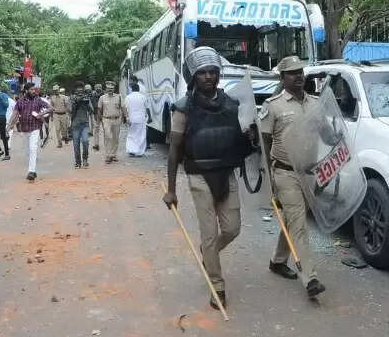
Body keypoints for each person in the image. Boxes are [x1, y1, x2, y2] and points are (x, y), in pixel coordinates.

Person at [162, 47, 253, 311]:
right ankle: (217, 285)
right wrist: (171, 190)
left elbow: (240, 141)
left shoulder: (231, 104)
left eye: (213, 72)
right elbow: (174, 150)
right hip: (199, 176)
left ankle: (208, 252)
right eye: (203, 72)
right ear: (194, 76)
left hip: (227, 174)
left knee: (232, 229)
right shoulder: (183, 108)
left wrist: (250, 138)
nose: (209, 76)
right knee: (210, 233)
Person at [260, 55, 326, 298]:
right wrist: (269, 178)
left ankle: (277, 261)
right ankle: (310, 278)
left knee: (292, 219)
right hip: (285, 172)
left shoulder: (316, 103)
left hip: (309, 173)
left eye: (300, 71)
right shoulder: (273, 105)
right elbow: (264, 142)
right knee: (299, 225)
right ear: (282, 77)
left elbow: (326, 136)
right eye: (292, 73)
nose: (298, 76)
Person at [8, 83, 52, 181]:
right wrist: (9, 125)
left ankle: (31, 171)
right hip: (24, 129)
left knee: (33, 148)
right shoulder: (20, 101)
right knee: (27, 151)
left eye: (34, 89)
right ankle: (32, 170)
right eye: (31, 89)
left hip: (35, 128)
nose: (34, 91)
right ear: (26, 90)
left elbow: (50, 108)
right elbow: (15, 114)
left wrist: (41, 114)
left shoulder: (38, 100)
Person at [98, 81, 126, 164]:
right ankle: (108, 155)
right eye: (108, 88)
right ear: (106, 89)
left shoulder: (119, 97)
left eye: (111, 88)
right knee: (108, 136)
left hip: (116, 120)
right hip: (106, 119)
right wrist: (99, 119)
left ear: (114, 89)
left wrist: (126, 117)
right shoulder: (102, 98)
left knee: (115, 138)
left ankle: (113, 155)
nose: (110, 90)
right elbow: (99, 109)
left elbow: (123, 107)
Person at [69, 81, 95, 168]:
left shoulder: (86, 97)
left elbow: (91, 111)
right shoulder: (72, 98)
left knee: (85, 141)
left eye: (81, 88)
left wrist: (87, 103)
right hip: (75, 124)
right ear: (75, 90)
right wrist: (76, 103)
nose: (80, 90)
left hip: (85, 124)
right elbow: (69, 110)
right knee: (76, 145)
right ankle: (78, 162)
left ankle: (85, 159)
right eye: (78, 89)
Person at [125, 82, 149, 157]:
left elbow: (125, 109)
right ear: (138, 89)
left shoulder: (128, 97)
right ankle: (139, 152)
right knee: (141, 135)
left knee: (131, 135)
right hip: (141, 119)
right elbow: (147, 108)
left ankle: (131, 151)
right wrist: (150, 117)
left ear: (132, 89)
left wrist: (126, 118)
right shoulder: (143, 97)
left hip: (131, 119)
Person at [92, 83, 103, 150]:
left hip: (105, 115)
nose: (98, 88)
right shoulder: (92, 96)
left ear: (101, 88)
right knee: (96, 130)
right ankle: (96, 144)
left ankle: (107, 144)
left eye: (99, 87)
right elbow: (92, 105)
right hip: (96, 114)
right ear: (95, 88)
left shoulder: (104, 95)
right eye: (97, 87)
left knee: (106, 131)